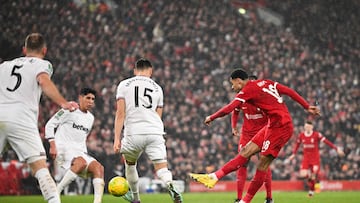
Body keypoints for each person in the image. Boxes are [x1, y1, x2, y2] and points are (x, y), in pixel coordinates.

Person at [189, 68, 320, 203]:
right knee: (246, 151)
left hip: (282, 127)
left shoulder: (247, 90)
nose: (232, 87)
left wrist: (212, 117)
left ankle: (247, 201)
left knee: (262, 164)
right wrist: (306, 106)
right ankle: (214, 177)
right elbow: (288, 91)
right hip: (271, 125)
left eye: (232, 84)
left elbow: (230, 108)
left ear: (239, 81)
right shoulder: (266, 82)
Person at [0, 33, 79, 203]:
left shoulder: (4, 66)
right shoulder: (43, 64)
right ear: (44, 50)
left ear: (24, 49)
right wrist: (63, 103)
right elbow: (43, 81)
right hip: (21, 118)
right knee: (40, 168)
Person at [113, 58, 183, 203]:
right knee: (162, 168)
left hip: (134, 132)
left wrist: (116, 138)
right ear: (150, 71)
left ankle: (136, 198)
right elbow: (159, 115)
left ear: (135, 71)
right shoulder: (158, 88)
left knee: (130, 164)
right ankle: (170, 184)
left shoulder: (124, 85)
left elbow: (120, 113)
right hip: (155, 132)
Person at [205, 75, 273, 203]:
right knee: (242, 163)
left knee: (264, 163)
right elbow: (234, 111)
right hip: (246, 135)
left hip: (262, 133)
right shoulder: (242, 97)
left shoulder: (262, 98)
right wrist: (233, 127)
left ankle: (269, 198)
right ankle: (238, 198)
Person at [45, 87, 104, 203]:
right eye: (88, 98)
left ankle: (97, 202)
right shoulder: (69, 109)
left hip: (79, 152)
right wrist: (52, 145)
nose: (91, 101)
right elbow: (50, 125)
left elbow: (81, 138)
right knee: (81, 162)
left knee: (99, 168)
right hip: (62, 149)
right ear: (80, 97)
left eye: (93, 99)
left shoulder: (90, 118)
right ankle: (56, 192)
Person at [286, 120, 345, 197]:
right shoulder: (301, 135)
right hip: (306, 158)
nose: (307, 128)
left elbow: (326, 142)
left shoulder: (316, 135)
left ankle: (311, 191)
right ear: (304, 127)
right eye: (306, 126)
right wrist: (293, 154)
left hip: (315, 159)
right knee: (303, 174)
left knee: (313, 175)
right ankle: (315, 182)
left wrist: (336, 149)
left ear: (312, 127)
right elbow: (297, 145)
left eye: (308, 126)